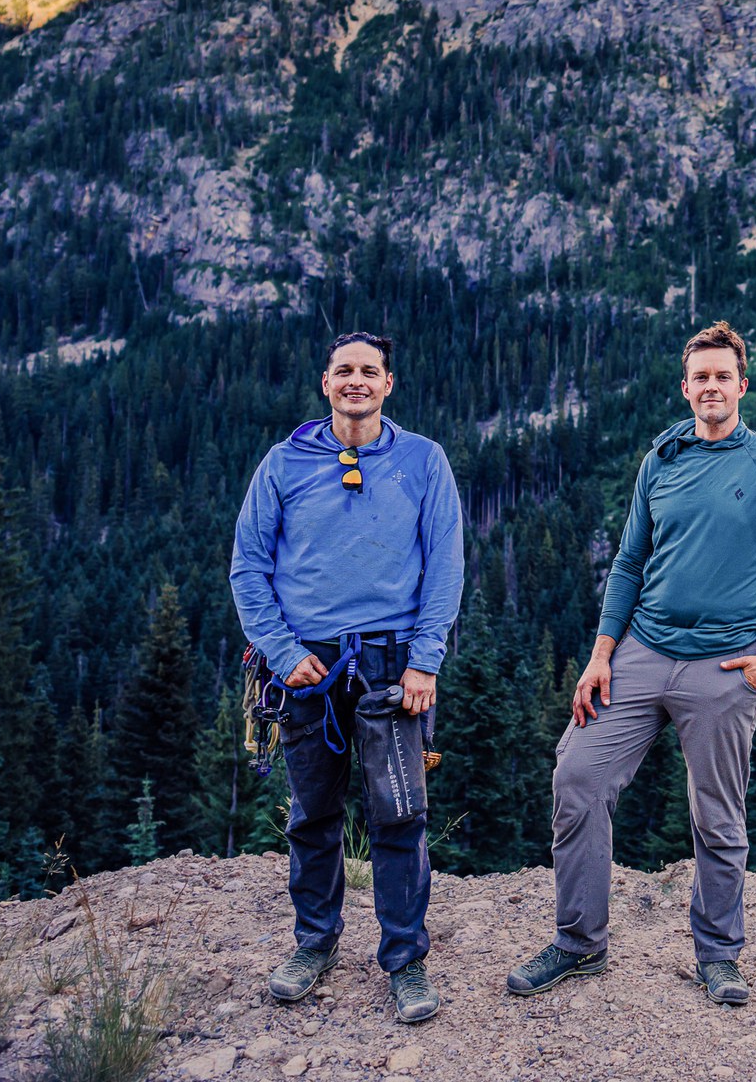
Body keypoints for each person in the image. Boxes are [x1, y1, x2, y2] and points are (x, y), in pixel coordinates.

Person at [508, 320, 756, 1007]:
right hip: (643, 653)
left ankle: (718, 956)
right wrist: (600, 655)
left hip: (727, 668)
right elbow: (628, 562)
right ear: (686, 389)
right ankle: (578, 942)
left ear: (743, 385)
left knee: (717, 815)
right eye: (700, 378)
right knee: (578, 777)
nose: (711, 387)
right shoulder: (663, 459)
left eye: (722, 376)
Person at [229, 332, 465, 1025]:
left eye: (369, 371)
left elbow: (446, 563)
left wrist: (427, 659)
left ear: (388, 383)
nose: (356, 381)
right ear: (325, 383)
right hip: (306, 664)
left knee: (400, 815)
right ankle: (314, 944)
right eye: (344, 371)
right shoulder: (283, 464)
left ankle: (405, 960)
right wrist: (278, 649)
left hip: (394, 665)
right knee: (313, 816)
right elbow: (248, 565)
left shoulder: (424, 461)